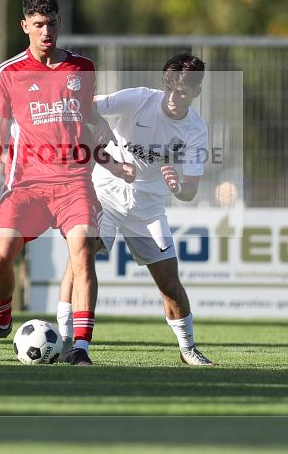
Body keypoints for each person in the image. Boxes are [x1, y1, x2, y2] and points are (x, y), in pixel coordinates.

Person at [0, 0, 130, 366]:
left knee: (82, 253)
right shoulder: (8, 73)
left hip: (74, 183)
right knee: (0, 255)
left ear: (59, 25)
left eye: (51, 24)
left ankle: (81, 347)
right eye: (38, 25)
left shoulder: (82, 69)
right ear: (25, 27)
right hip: (26, 185)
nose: (45, 31)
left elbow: (87, 122)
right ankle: (0, 322)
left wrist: (115, 159)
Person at [58, 53, 215, 366]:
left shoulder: (196, 131)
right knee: (83, 255)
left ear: (196, 92)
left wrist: (177, 186)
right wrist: (104, 140)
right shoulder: (138, 99)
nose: (173, 96)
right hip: (106, 192)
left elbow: (190, 191)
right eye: (170, 88)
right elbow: (81, 106)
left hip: (148, 208)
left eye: (182, 91)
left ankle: (188, 349)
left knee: (169, 283)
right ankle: (69, 342)